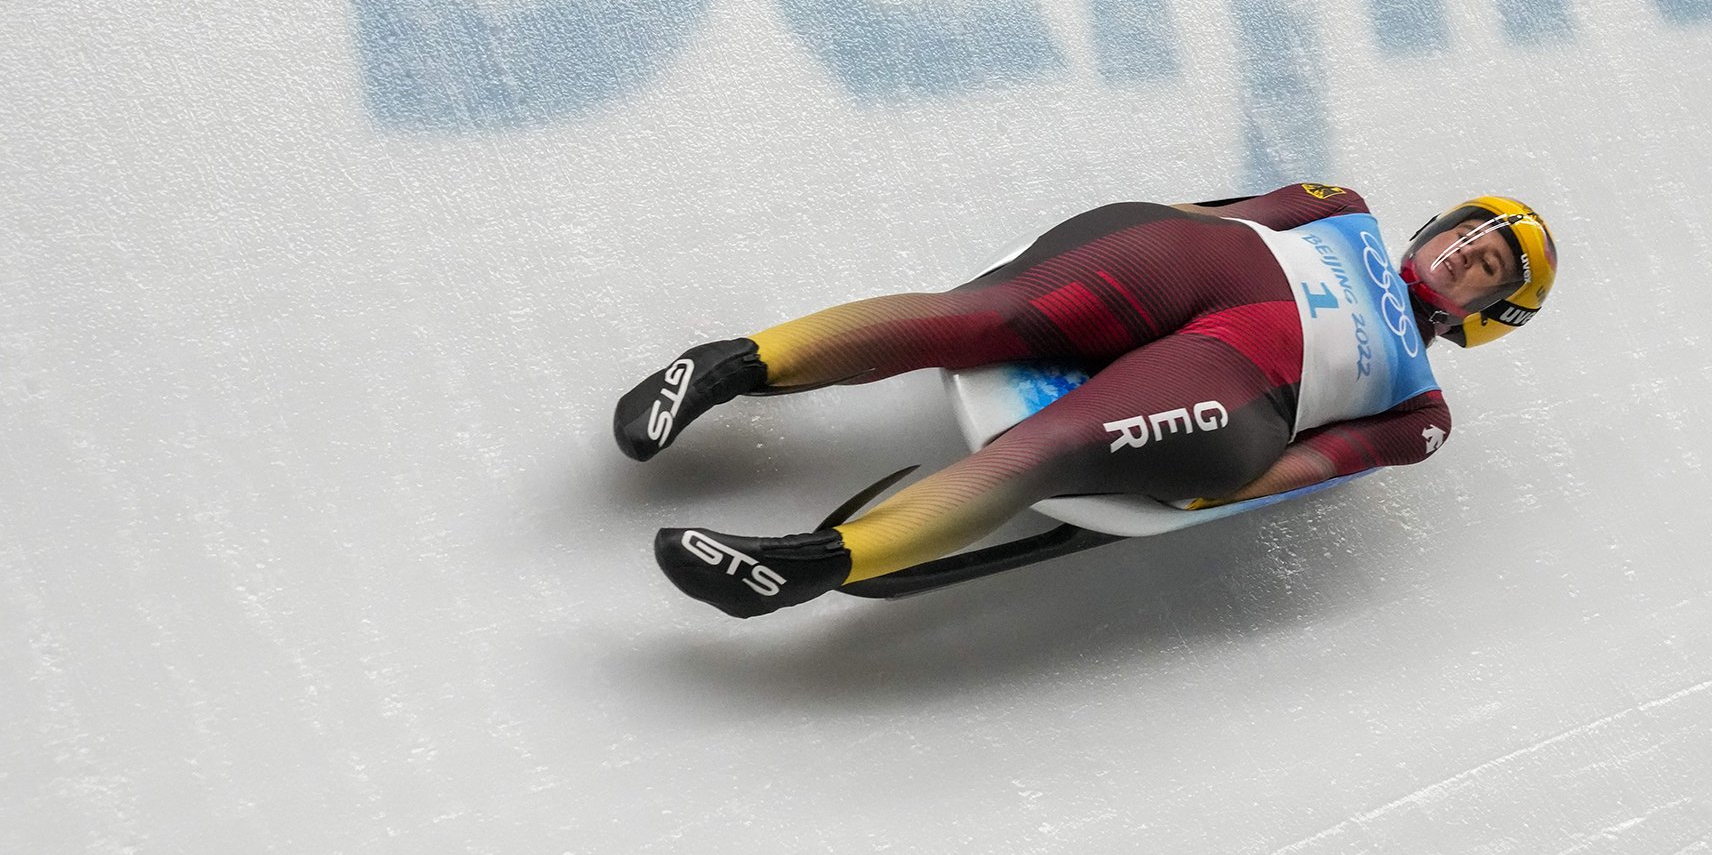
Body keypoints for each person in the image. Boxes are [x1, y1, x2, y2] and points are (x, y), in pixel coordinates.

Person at [612, 183, 1557, 617]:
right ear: (1440, 223)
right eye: (1474, 234)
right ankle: (726, 367)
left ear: (1487, 312)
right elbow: (1208, 215)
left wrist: (1209, 496)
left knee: (1043, 451)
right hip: (1190, 268)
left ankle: (811, 564)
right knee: (980, 316)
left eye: (1490, 268)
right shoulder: (1335, 202)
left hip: (1235, 383)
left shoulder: (1423, 412)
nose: (1472, 254)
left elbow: (1316, 465)